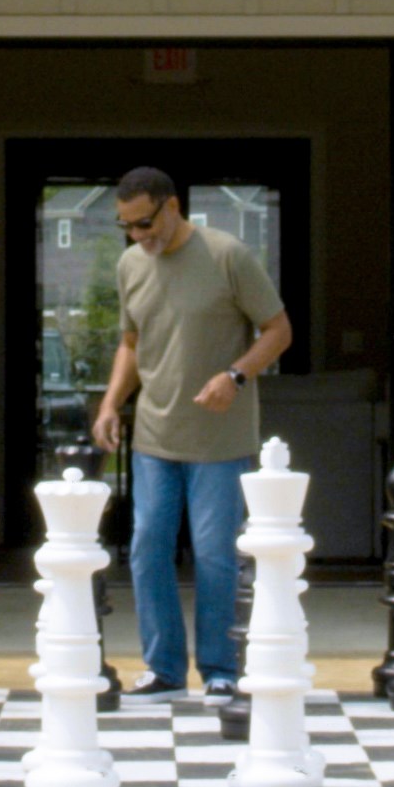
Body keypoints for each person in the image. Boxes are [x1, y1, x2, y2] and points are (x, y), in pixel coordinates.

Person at [85, 166, 292, 700]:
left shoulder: (227, 255)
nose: (138, 235)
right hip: (155, 433)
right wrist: (111, 403)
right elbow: (131, 343)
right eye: (127, 226)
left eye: (145, 222)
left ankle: (221, 669)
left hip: (220, 440)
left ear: (172, 206)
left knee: (216, 553)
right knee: (147, 549)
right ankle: (164, 668)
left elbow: (279, 330)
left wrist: (235, 375)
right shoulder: (131, 265)